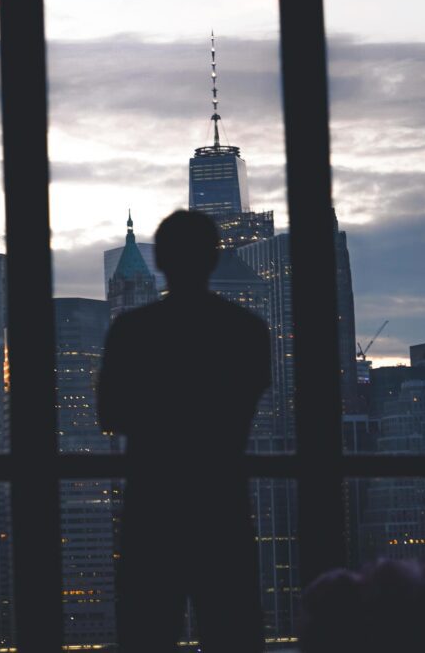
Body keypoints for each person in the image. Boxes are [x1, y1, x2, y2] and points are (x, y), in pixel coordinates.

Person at [98, 210, 269, 652]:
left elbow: (110, 414)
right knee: (233, 631)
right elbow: (246, 404)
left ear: (162, 262)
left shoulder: (133, 331)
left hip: (152, 505)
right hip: (222, 504)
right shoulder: (247, 331)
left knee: (147, 631)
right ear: (214, 259)